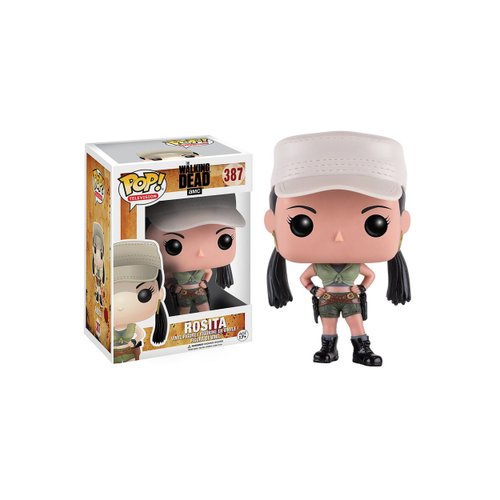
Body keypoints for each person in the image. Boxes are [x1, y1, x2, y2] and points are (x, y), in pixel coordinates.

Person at [265, 131, 411, 366]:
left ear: (403, 224)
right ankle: (329, 349)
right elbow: (305, 278)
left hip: (350, 298)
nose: (339, 237)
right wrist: (315, 291)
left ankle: (361, 349)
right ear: (271, 223)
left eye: (375, 224)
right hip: (327, 300)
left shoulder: (352, 266)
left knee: (356, 325)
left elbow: (370, 275)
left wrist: (360, 289)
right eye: (302, 224)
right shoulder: (319, 267)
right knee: (329, 327)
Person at [146, 194, 246, 315]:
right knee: (184, 312)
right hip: (183, 294)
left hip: (199, 292)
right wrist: (173, 287)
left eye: (224, 240)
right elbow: (167, 279)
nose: (200, 252)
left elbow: (208, 272)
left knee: (204, 309)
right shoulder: (173, 272)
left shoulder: (203, 269)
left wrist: (204, 283)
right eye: (173, 246)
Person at [113, 240, 168, 363]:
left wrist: (134, 342)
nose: (121, 307)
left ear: (160, 294)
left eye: (144, 295)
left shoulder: (132, 327)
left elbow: (140, 335)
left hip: (130, 355)